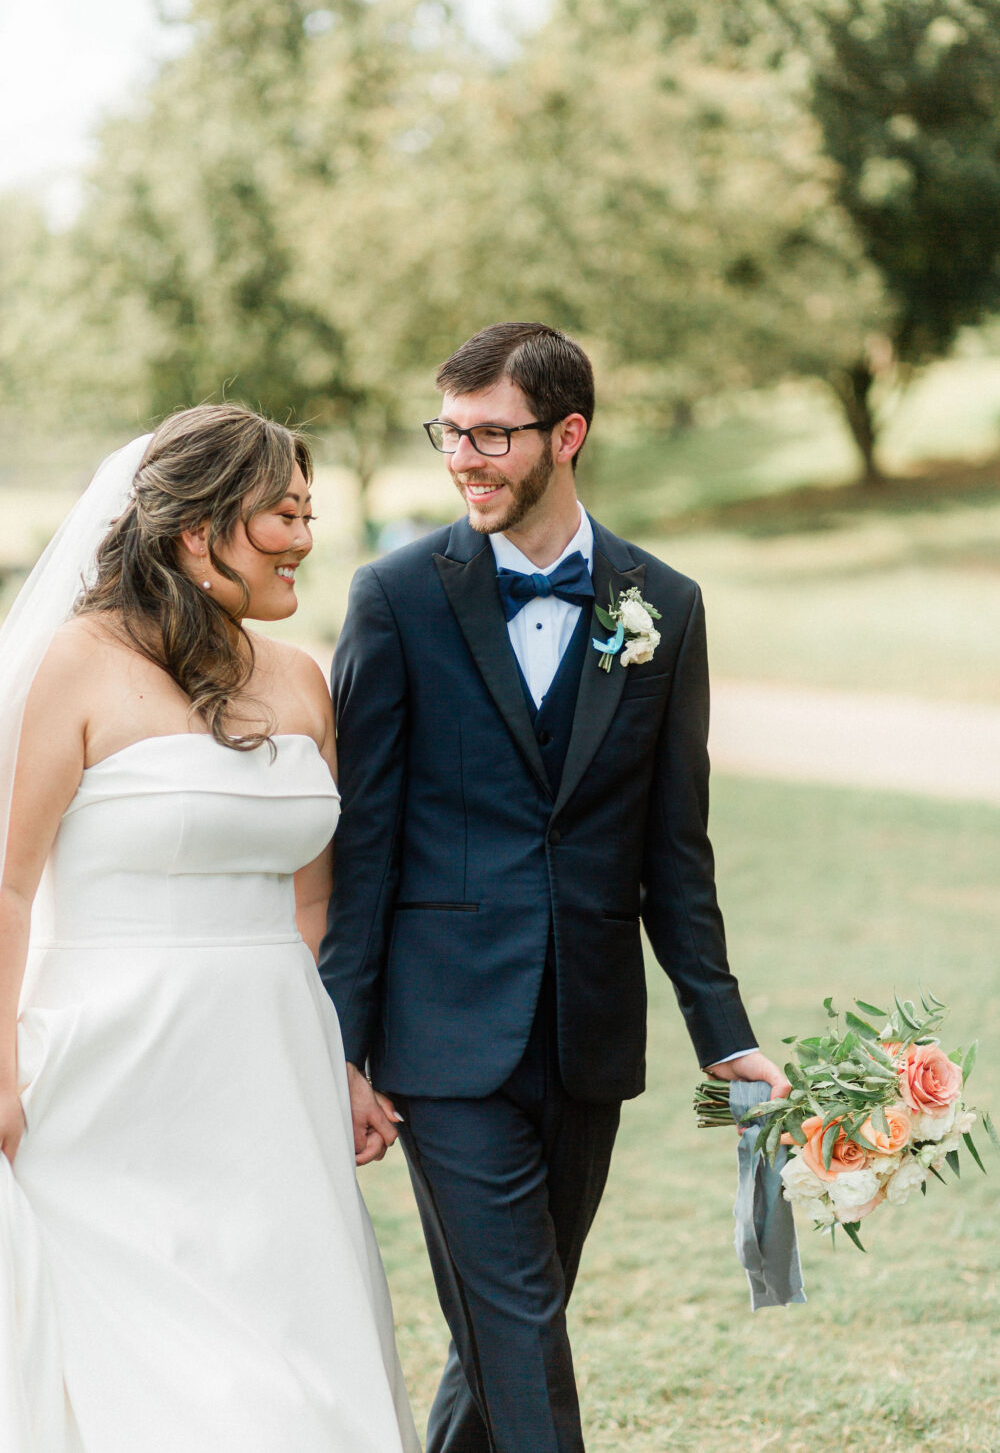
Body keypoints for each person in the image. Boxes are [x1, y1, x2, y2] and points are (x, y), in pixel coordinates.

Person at [321, 322, 791, 1453]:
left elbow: (674, 847)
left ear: (566, 434)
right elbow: (362, 841)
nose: (463, 459)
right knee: (520, 1322)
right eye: (450, 433)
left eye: (492, 434)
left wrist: (721, 1035)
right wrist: (334, 1045)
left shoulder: (663, 605)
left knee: (505, 1325)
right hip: (439, 1037)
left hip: (587, 1030)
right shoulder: (394, 597)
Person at [0, 405, 418, 1453]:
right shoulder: (78, 664)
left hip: (271, 1074)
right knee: (151, 1377)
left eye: (310, 511)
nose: (306, 537)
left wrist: (344, 1058)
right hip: (111, 1077)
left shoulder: (301, 680)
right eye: (284, 511)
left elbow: (313, 900)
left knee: (292, 1368)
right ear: (199, 530)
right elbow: (6, 887)